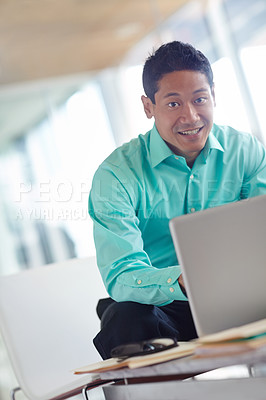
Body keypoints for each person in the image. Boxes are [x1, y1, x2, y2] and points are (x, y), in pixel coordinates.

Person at [88, 41, 266, 360]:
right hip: (167, 312)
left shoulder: (247, 151)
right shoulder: (116, 176)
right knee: (125, 319)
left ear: (214, 95)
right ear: (148, 106)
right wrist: (183, 280)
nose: (191, 116)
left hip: (244, 298)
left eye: (200, 99)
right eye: (173, 104)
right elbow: (121, 275)